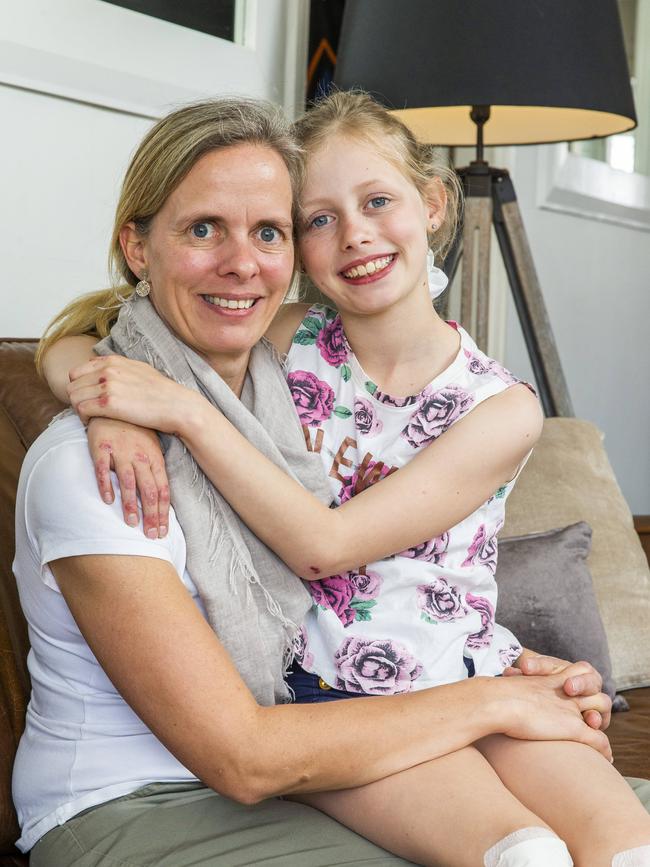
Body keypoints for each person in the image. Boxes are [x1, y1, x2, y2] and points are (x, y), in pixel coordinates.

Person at [33, 93, 642, 867]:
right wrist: (105, 398)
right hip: (328, 692)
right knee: (526, 853)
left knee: (628, 849)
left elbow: (329, 544)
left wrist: (165, 407)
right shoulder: (286, 341)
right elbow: (100, 330)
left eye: (377, 201)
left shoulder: (498, 407)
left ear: (431, 203)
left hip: (462, 669)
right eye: (317, 219)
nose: (353, 234)